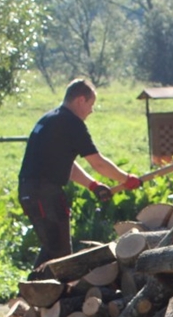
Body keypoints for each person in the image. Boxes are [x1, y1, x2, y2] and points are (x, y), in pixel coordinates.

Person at [18, 78, 141, 271]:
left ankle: (33, 294)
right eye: (91, 104)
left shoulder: (50, 119)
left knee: (53, 248)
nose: (91, 110)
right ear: (80, 100)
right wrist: (126, 179)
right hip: (44, 193)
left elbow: (66, 164)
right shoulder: (71, 123)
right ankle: (38, 294)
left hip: (30, 191)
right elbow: (98, 163)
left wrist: (93, 185)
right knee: (59, 256)